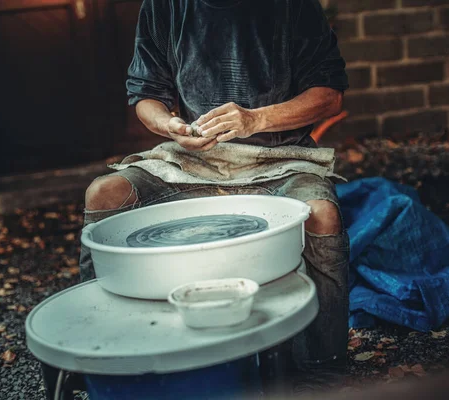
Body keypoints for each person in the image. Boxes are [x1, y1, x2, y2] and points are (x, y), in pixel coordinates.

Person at [80, 0, 350, 394]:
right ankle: (100, 353)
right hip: (192, 160)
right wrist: (170, 125)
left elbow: (329, 96)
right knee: (104, 193)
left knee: (322, 214)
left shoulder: (293, 6)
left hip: (280, 158)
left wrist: (256, 119)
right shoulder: (163, 5)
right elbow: (145, 95)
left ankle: (323, 369)